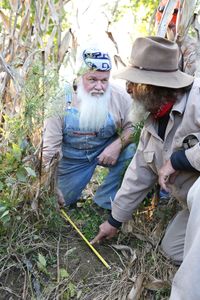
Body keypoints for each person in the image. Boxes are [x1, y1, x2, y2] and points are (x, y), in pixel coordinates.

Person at [91, 36, 200, 300]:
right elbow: (139, 172)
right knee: (173, 249)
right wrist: (114, 220)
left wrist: (179, 160)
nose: (127, 89)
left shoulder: (196, 99)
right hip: (192, 208)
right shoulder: (153, 118)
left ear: (155, 86)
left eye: (134, 83)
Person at [42, 47, 136, 210]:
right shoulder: (59, 101)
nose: (99, 87)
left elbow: (135, 126)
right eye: (92, 79)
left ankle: (104, 204)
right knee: (57, 204)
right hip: (71, 161)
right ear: (79, 77)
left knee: (134, 149)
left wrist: (118, 145)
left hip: (105, 152)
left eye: (104, 80)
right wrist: (48, 182)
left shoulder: (120, 97)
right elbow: (50, 150)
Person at [155, 0, 196, 76]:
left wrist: (172, 44)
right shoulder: (154, 42)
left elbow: (189, 80)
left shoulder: (190, 46)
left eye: (171, 26)